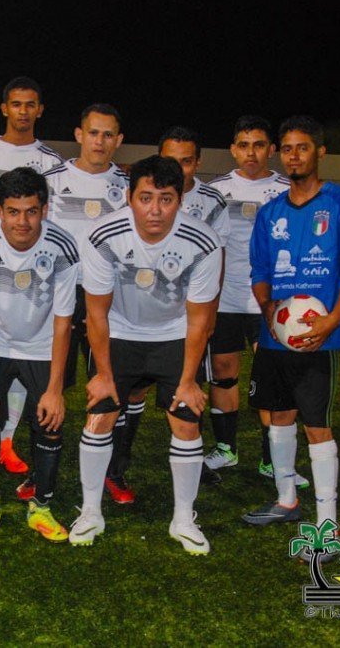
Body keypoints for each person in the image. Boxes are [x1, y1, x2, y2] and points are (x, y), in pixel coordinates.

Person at [73, 155, 221, 551]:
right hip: (120, 332)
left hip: (176, 335)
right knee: (100, 415)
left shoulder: (203, 241)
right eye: (146, 198)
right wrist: (103, 375)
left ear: (180, 201)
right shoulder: (103, 235)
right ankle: (90, 512)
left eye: (166, 199)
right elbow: (96, 313)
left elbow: (200, 321)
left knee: (186, 419)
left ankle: (183, 519)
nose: (155, 210)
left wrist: (188, 382)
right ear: (129, 197)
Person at [242, 116, 340, 541]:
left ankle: (326, 523)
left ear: (320, 152)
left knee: (316, 425)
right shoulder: (271, 212)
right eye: (287, 148)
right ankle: (286, 500)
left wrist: (333, 319)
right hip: (276, 336)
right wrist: (268, 309)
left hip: (320, 336)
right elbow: (260, 269)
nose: (294, 156)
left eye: (303, 147)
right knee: (279, 417)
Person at [0, 167, 79, 542]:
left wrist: (55, 389)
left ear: (44, 210)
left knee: (49, 420)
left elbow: (63, 321)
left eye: (31, 211)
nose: (22, 222)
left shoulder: (62, 247)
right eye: (13, 211)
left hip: (42, 345)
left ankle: (41, 506)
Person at [205, 117, 308, 489]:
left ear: (272, 150)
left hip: (271, 302)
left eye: (259, 145)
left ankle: (272, 460)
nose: (251, 152)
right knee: (223, 372)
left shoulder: (287, 191)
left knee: (273, 379)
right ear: (233, 149)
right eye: (244, 145)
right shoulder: (216, 191)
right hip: (226, 298)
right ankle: (226, 448)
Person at [43, 103, 129, 503]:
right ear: (79, 135)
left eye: (108, 134)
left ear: (119, 140)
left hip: (108, 298)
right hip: (59, 294)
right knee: (50, 384)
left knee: (108, 384)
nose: (100, 141)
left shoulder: (129, 186)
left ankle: (112, 472)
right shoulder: (51, 181)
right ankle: (43, 470)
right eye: (93, 132)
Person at [0, 76, 65, 476]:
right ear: (4, 108)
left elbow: (48, 222)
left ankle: (8, 440)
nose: (23, 111)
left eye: (31, 104)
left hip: (33, 277)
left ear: (40, 110)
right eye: (16, 103)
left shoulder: (51, 162)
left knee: (24, 363)